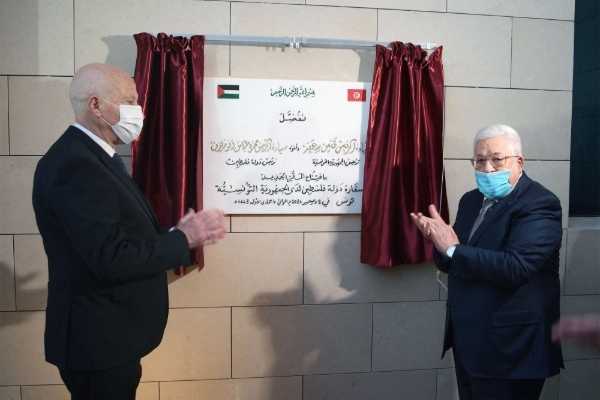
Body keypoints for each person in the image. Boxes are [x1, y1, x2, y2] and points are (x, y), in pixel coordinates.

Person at [32, 63, 227, 399]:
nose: (138, 111)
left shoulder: (94, 157)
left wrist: (173, 234)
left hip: (108, 340)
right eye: (128, 101)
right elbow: (110, 259)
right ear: (95, 105)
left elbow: (116, 237)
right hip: (98, 343)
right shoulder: (76, 165)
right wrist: (184, 238)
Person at [411, 124, 563, 400]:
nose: (488, 168)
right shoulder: (471, 201)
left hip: (511, 349)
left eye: (497, 158)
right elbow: (453, 261)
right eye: (480, 160)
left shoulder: (540, 204)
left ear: (519, 162)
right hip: (470, 343)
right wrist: (439, 241)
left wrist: (454, 250)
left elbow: (516, 268)